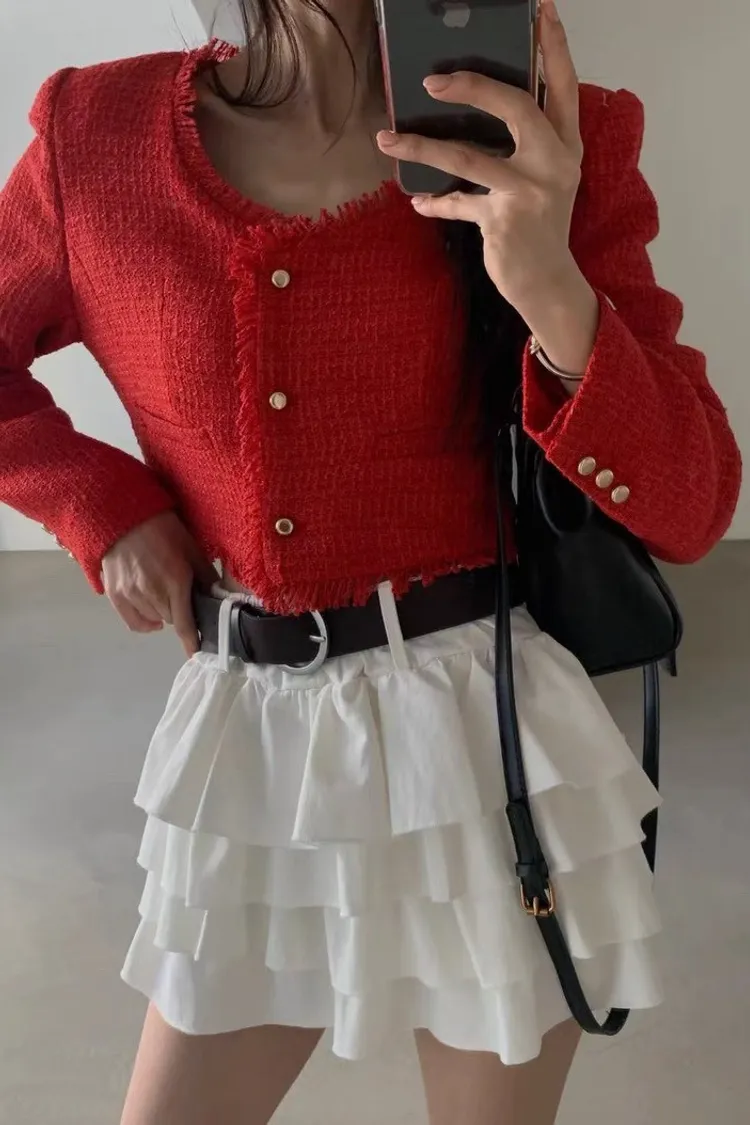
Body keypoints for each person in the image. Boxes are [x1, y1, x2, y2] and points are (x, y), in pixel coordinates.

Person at [0, 1, 741, 1123]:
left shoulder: (550, 135)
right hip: (253, 743)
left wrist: (551, 286)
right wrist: (98, 508)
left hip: (491, 740)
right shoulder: (95, 134)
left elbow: (695, 500)